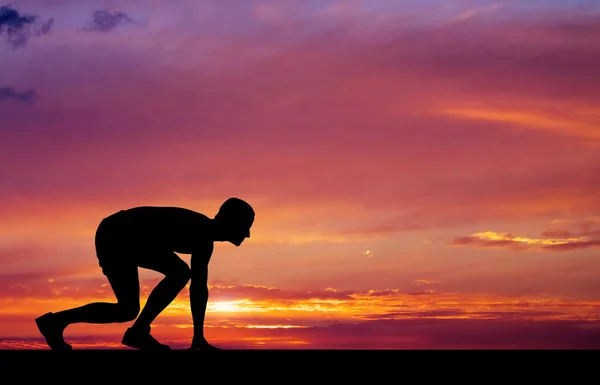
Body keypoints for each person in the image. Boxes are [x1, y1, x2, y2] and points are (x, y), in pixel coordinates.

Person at [35, 197, 255, 351]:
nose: (247, 235)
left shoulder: (204, 241)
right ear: (230, 221)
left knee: (127, 309)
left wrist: (198, 337)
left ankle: (55, 322)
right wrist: (198, 338)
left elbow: (199, 289)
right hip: (117, 232)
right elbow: (194, 285)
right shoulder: (198, 229)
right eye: (245, 226)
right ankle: (138, 331)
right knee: (179, 272)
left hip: (125, 235)